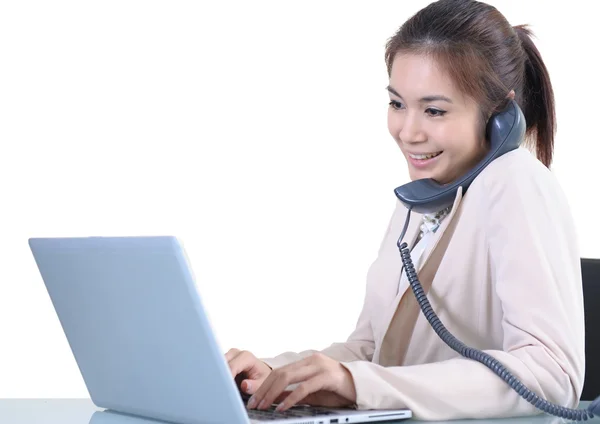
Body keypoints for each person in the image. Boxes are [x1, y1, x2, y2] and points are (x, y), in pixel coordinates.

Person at [226, 0, 586, 420]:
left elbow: (551, 376)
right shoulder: (430, 192)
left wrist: (360, 385)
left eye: (434, 110)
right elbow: (369, 350)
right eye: (397, 104)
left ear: (499, 114)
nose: (408, 132)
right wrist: (273, 374)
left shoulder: (516, 182)